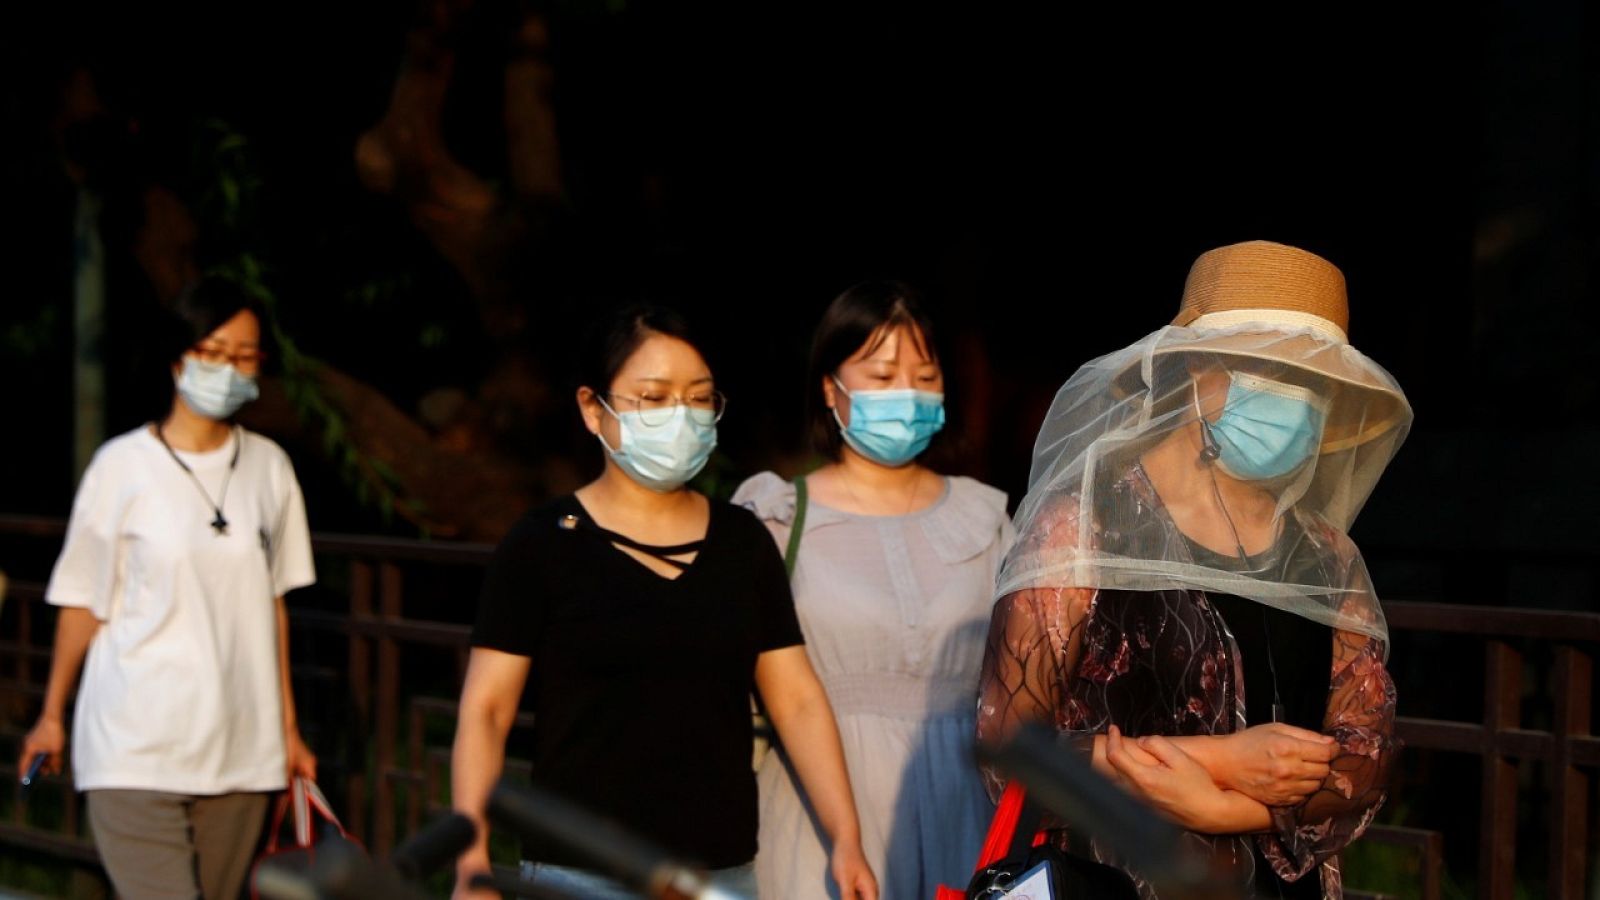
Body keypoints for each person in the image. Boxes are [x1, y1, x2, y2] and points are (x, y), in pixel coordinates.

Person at [976, 241, 1411, 898]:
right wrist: (1221, 761)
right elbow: (1007, 748)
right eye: (1269, 370)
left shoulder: (1327, 554)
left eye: (1313, 384)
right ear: (1194, 367)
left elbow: (1366, 755)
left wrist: (1225, 810)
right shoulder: (1086, 527)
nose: (1294, 403)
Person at [451, 304, 877, 900]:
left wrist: (847, 838)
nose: (680, 415)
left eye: (698, 398)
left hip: (718, 874)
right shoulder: (542, 543)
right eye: (654, 398)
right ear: (592, 409)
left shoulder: (742, 541)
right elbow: (486, 711)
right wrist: (470, 858)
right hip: (577, 875)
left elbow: (798, 700)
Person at [17, 276, 317, 900]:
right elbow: (83, 602)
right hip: (134, 745)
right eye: (214, 351)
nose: (229, 369)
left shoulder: (270, 468)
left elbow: (272, 606)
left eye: (245, 356)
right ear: (178, 356)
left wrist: (287, 731)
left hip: (242, 751)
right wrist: (50, 716)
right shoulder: (121, 466)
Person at [734, 281, 1012, 900]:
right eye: (883, 376)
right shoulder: (775, 518)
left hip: (966, 811)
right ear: (830, 389)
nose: (907, 393)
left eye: (924, 376)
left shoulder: (986, 518)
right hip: (817, 820)